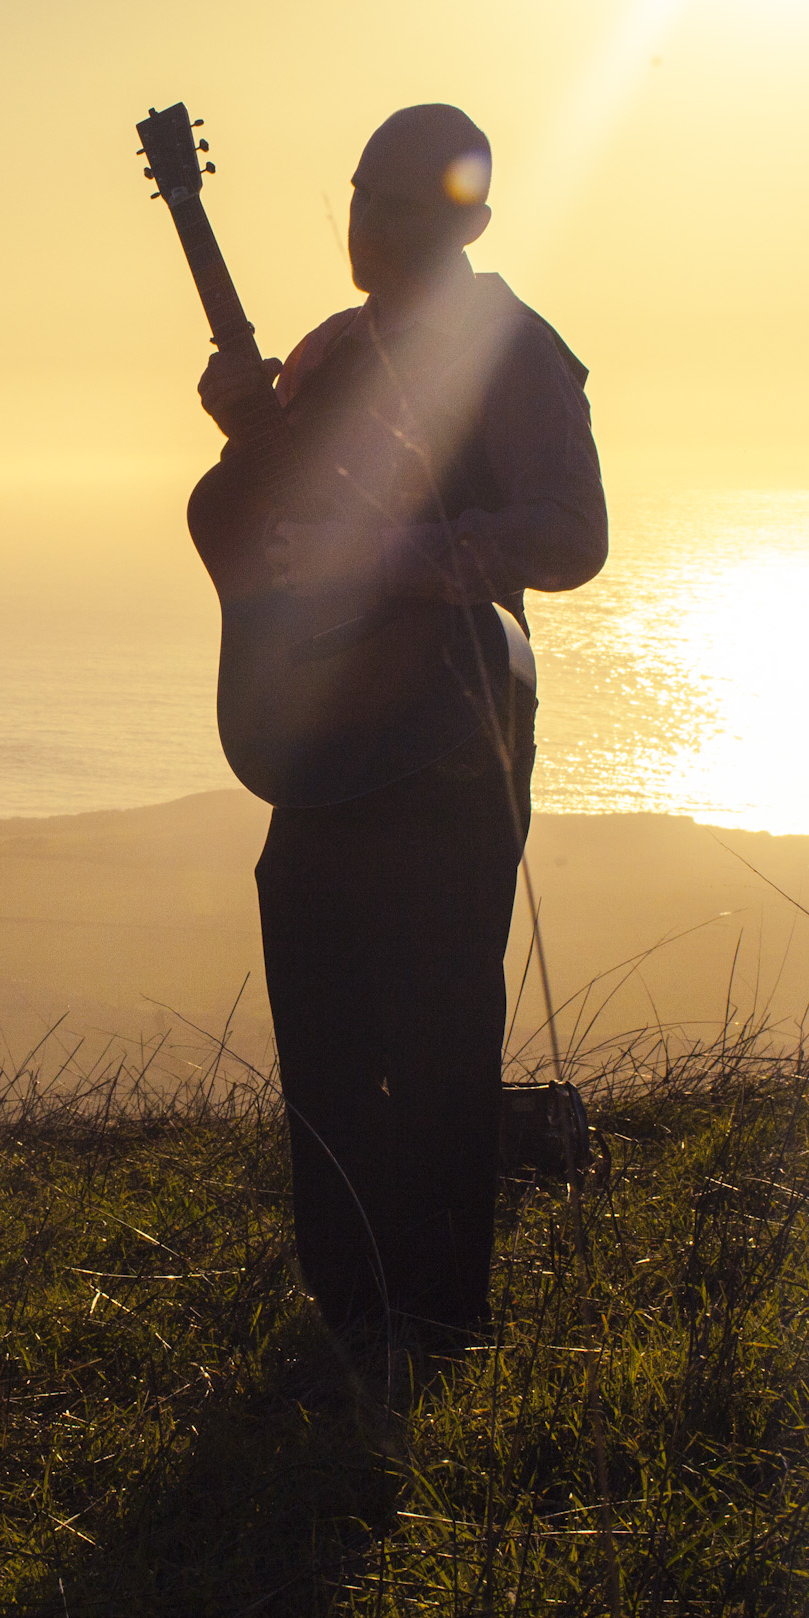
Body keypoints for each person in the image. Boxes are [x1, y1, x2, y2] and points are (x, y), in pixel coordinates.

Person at [191, 103, 606, 1382]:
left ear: (463, 221)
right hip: (324, 729)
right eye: (363, 194)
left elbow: (574, 533)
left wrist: (411, 557)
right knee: (322, 1025)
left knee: (435, 1029)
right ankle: (349, 1305)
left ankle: (438, 1324)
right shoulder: (330, 349)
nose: (369, 222)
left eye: (399, 204)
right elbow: (274, 526)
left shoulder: (517, 353)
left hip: (444, 731)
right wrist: (244, 430)